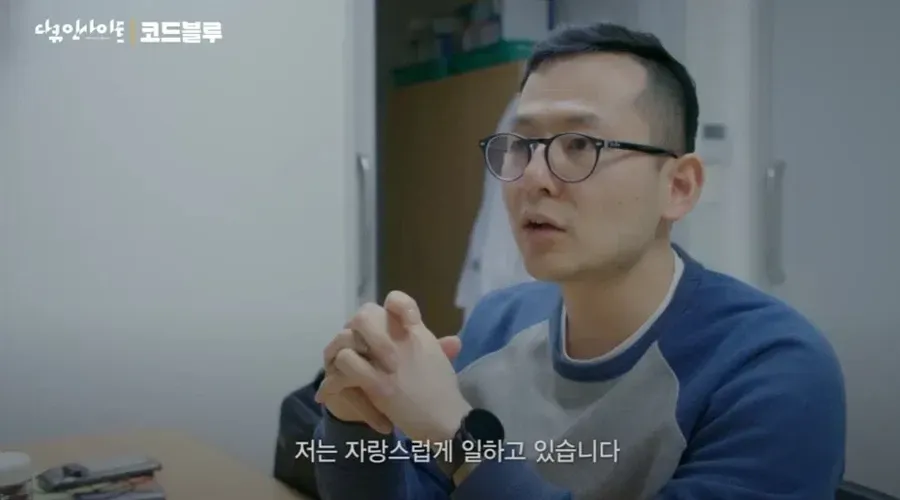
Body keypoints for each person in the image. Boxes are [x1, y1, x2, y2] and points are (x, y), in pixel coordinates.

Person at [312, 22, 846, 500]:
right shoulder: (497, 322)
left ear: (678, 187)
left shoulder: (773, 368)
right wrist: (356, 422)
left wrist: (458, 437)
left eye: (580, 145)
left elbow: (457, 450)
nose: (532, 178)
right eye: (522, 145)